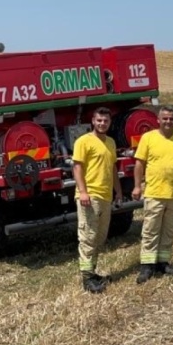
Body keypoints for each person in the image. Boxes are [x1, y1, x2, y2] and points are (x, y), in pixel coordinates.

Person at [133, 106, 173, 284]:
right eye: (165, 119)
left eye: (171, 119)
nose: (168, 122)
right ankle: (147, 265)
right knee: (151, 230)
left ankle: (163, 262)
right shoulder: (148, 138)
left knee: (169, 230)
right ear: (158, 120)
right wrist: (137, 186)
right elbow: (139, 164)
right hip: (155, 193)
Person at [72, 107, 122, 293]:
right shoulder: (83, 142)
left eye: (106, 121)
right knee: (88, 236)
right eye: (99, 120)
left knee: (99, 237)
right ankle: (87, 279)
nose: (102, 124)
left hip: (105, 195)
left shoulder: (110, 142)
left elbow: (113, 169)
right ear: (93, 121)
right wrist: (83, 192)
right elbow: (77, 168)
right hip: (90, 196)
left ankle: (92, 273)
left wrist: (117, 191)